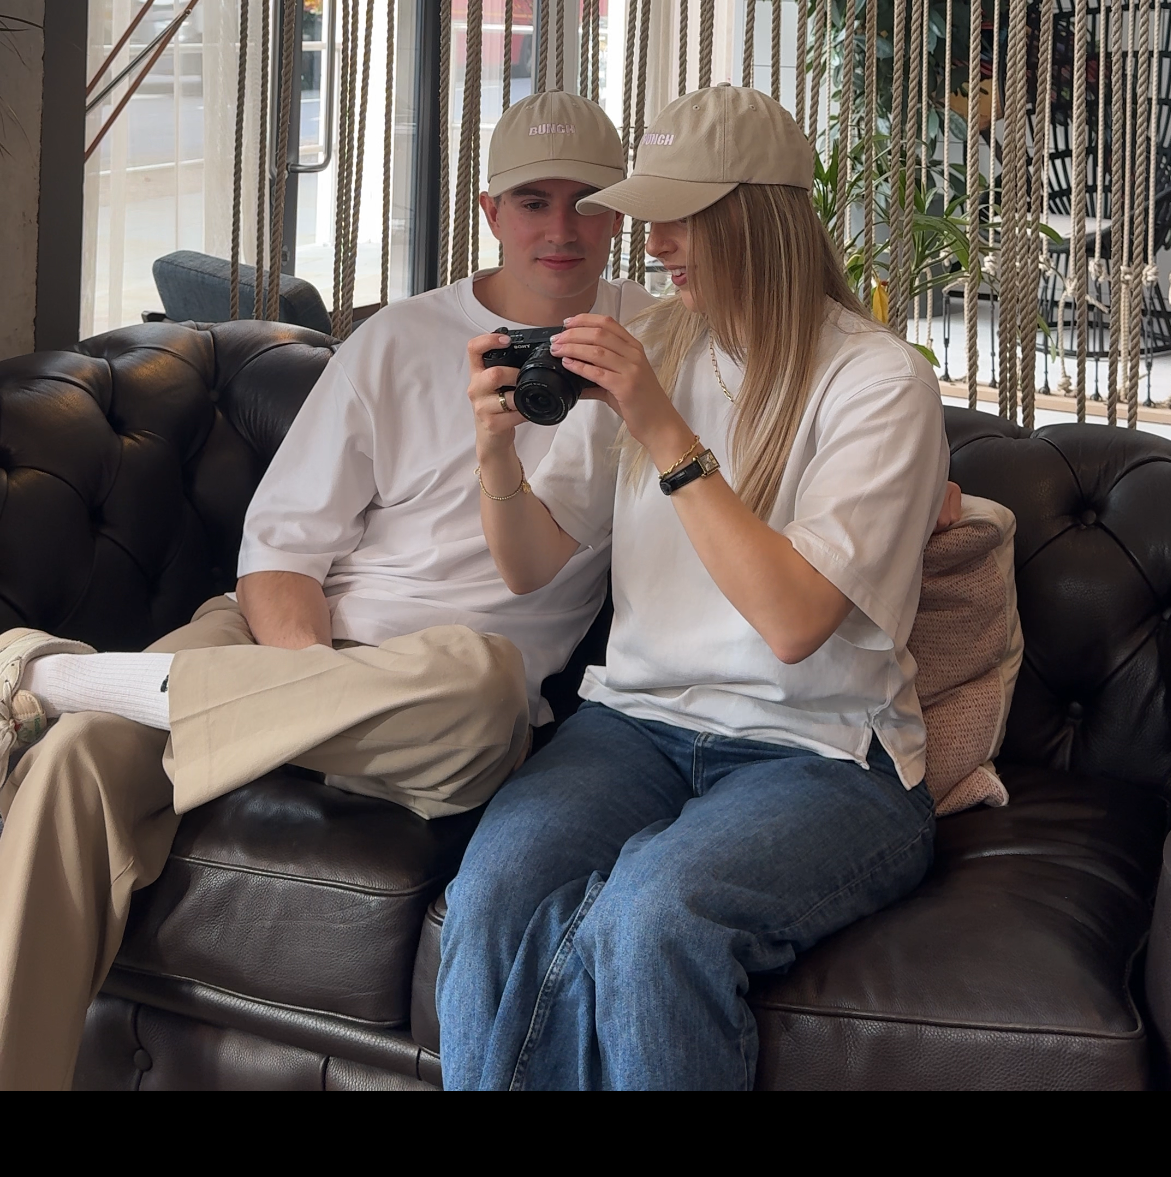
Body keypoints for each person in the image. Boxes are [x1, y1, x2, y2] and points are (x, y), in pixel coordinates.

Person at [0, 90, 650, 1092]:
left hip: (435, 700)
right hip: (282, 641)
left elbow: (803, 391)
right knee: (79, 762)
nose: (561, 228)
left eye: (588, 200)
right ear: (489, 212)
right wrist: (302, 686)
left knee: (484, 685)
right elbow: (280, 550)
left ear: (622, 213)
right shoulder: (401, 338)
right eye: (532, 201)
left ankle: (48, 675)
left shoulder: (662, 347)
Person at [439, 82, 960, 1092]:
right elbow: (531, 560)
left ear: (755, 219)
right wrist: (497, 453)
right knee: (495, 886)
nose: (655, 240)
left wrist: (663, 426)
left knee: (653, 915)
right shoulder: (661, 350)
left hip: (822, 754)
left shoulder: (878, 381)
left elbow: (796, 621)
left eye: (682, 217)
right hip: (632, 728)